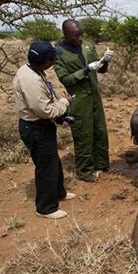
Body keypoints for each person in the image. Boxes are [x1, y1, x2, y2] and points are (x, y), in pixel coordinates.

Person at [13, 41, 76, 219]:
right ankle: (46, 208)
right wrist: (64, 103)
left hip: (41, 126)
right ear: (45, 61)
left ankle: (58, 192)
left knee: (52, 161)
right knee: (46, 166)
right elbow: (45, 111)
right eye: (52, 59)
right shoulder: (30, 80)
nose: (54, 61)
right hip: (35, 128)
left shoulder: (33, 70)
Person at [54, 19, 115, 182]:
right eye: (75, 36)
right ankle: (85, 171)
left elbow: (101, 69)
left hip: (95, 96)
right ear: (66, 35)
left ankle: (102, 164)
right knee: (83, 134)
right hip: (79, 100)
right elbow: (65, 79)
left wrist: (105, 61)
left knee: (100, 131)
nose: (80, 38)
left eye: (81, 34)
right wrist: (86, 70)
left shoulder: (87, 46)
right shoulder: (58, 52)